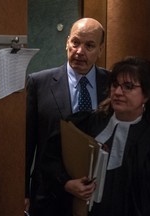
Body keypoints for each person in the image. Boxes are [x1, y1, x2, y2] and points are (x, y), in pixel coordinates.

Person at [41, 56, 150, 216]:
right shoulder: (87, 124)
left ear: (147, 95)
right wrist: (67, 183)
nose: (118, 92)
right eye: (115, 85)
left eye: (128, 87)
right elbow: (50, 159)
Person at [25, 17, 110, 216]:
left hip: (98, 195)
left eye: (89, 45)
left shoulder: (112, 84)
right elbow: (27, 143)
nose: (80, 51)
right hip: (49, 194)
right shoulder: (39, 83)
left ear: (100, 50)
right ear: (67, 43)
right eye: (75, 43)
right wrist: (23, 192)